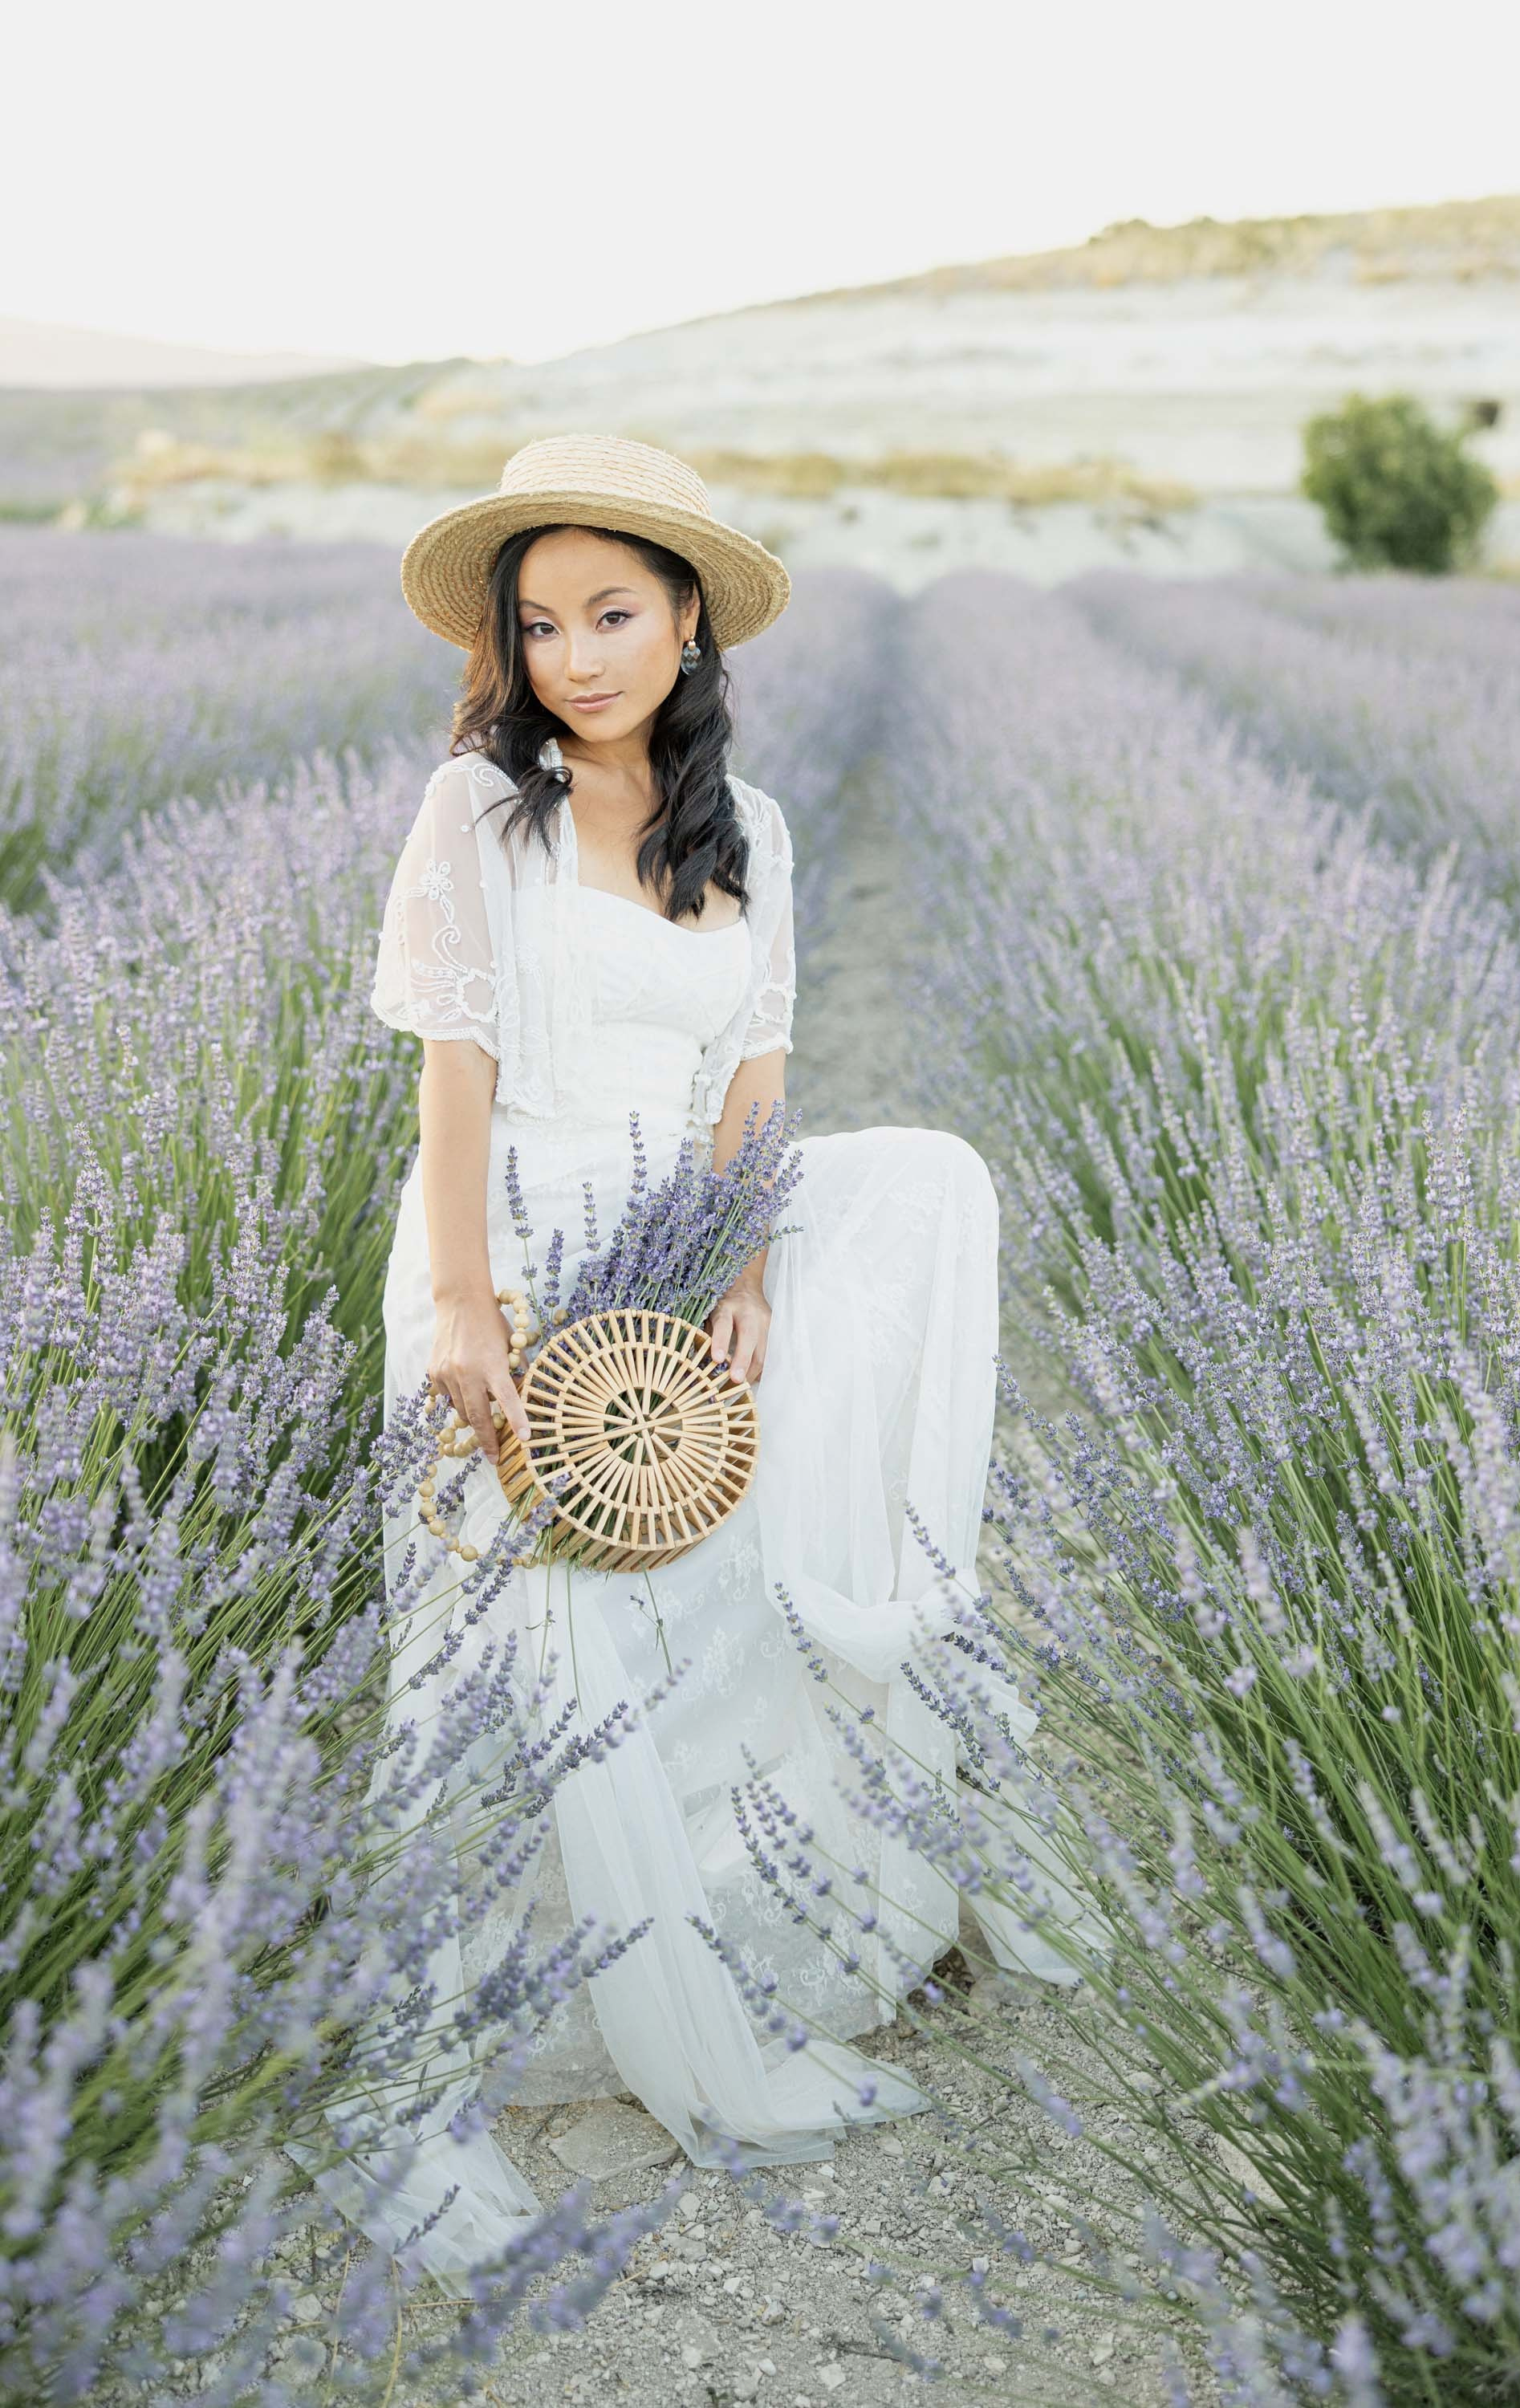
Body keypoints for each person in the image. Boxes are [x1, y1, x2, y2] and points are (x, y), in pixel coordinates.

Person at [319, 435, 1089, 2288]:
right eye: (541, 623)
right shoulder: (476, 819)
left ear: (684, 623)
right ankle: (511, 2000)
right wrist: (469, 1312)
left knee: (697, 1597)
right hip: (505, 1240)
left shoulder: (751, 835)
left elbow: (750, 1087)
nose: (576, 656)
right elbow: (455, 1082)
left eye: (612, 613)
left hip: (666, 1251)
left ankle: (716, 1937)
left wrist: (740, 1270)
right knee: (512, 1645)